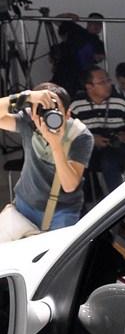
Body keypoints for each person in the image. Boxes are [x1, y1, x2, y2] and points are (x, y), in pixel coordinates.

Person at [0, 83, 93, 234]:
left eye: (54, 111)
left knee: (58, 250)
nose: (46, 117)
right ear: (32, 113)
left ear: (67, 114)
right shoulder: (28, 121)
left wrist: (56, 146)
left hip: (62, 210)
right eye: (41, 110)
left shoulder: (79, 135)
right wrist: (26, 96)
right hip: (26, 202)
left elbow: (69, 186)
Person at [69, 65, 125, 195]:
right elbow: (68, 129)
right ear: (89, 87)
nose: (108, 85)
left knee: (109, 162)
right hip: (87, 147)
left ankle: (118, 199)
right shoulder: (76, 105)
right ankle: (82, 202)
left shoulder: (119, 101)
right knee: (76, 162)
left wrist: (123, 137)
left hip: (116, 146)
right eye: (102, 82)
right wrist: (91, 139)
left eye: (108, 80)